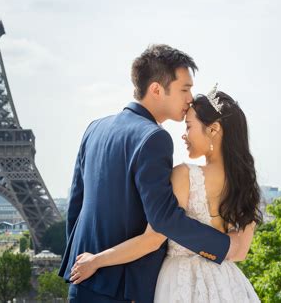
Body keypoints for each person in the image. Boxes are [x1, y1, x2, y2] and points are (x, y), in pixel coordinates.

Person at [59, 44, 244, 303]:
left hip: (83, 278)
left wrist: (81, 263)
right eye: (185, 89)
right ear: (157, 89)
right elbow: (164, 218)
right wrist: (225, 246)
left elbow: (75, 207)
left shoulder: (95, 128)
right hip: (125, 287)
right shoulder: (153, 138)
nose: (190, 98)